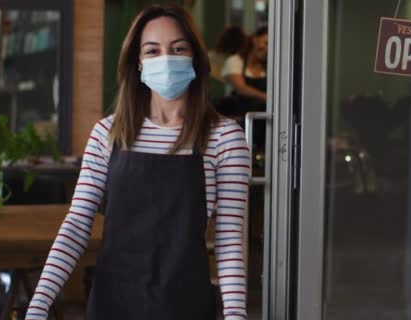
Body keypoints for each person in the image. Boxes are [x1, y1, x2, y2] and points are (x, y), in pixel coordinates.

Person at [26, 5, 249, 320]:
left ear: (195, 57)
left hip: (185, 305)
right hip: (112, 303)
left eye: (178, 49)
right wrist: (38, 305)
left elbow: (229, 243)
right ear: (138, 61)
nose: (165, 59)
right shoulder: (108, 132)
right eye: (152, 50)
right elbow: (76, 225)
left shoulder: (224, 138)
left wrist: (236, 315)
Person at [220, 26, 268, 115]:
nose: (267, 49)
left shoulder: (268, 68)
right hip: (238, 117)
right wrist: (267, 98)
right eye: (265, 43)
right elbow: (241, 88)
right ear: (255, 39)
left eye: (271, 46)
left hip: (261, 119)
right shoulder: (235, 61)